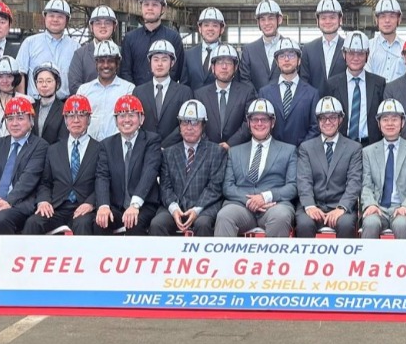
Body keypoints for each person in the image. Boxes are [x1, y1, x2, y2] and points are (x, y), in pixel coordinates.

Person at [0, 96, 48, 296]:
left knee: (1, 220)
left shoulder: (40, 146)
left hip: (21, 203)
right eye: (10, 118)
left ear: (31, 121)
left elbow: (29, 180)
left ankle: (6, 275)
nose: (15, 123)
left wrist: (7, 202)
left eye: (20, 118)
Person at [214, 99, 297, 237]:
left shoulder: (288, 151)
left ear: (273, 123)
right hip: (241, 205)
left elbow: (292, 187)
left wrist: (265, 197)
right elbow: (228, 187)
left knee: (281, 216)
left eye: (264, 119)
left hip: (274, 205)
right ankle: (224, 259)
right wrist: (250, 201)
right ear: (248, 123)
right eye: (254, 119)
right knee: (224, 216)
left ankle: (273, 259)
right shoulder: (234, 152)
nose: (259, 123)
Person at [22, 95, 99, 236]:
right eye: (71, 115)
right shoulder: (53, 149)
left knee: (82, 224)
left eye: (81, 115)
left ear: (88, 119)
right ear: (65, 120)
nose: (76, 120)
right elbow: (45, 182)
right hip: (56, 206)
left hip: (84, 207)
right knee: (33, 222)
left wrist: (90, 203)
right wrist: (43, 201)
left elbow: (102, 182)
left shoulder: (100, 149)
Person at [151, 100, 227, 237]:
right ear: (179, 126)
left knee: (203, 224)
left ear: (203, 125)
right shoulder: (168, 153)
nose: (189, 128)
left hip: (205, 206)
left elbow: (215, 187)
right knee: (157, 224)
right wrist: (174, 209)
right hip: (175, 206)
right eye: (185, 122)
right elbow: (165, 187)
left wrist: (197, 209)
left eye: (195, 123)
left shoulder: (216, 151)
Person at [295, 97, 363, 239]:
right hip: (314, 205)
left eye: (332, 117)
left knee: (345, 224)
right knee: (304, 224)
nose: (327, 122)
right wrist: (310, 206)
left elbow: (354, 182)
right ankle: (308, 261)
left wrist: (342, 207)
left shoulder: (354, 148)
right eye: (322, 118)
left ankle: (343, 262)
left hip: (340, 206)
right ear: (318, 121)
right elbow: (304, 180)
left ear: (341, 119)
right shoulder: (306, 148)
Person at [94, 95, 162, 235]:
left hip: (143, 205)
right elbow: (102, 176)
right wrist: (103, 206)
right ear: (115, 120)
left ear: (141, 119)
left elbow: (149, 172)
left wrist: (135, 204)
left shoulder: (151, 141)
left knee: (134, 222)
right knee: (100, 221)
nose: (126, 120)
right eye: (121, 115)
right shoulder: (106, 145)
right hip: (117, 206)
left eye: (131, 115)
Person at [359, 99, 406, 239]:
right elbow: (366, 185)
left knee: (401, 224)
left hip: (404, 206)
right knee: (370, 222)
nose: (389, 123)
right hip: (378, 207)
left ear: (402, 122)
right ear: (378, 123)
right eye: (385, 119)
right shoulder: (368, 152)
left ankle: (403, 262)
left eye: (394, 119)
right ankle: (369, 261)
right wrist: (370, 204)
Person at [323, 31, 386, 147]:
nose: (355, 58)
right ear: (344, 54)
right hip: (341, 146)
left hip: (371, 145)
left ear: (367, 55)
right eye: (351, 53)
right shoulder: (332, 84)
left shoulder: (379, 83)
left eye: (361, 53)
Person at [257, 38, 319, 147]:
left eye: (291, 55)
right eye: (281, 56)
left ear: (299, 60)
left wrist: (301, 149)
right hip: (272, 155)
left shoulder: (312, 94)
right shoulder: (265, 93)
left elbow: (315, 127)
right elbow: (261, 124)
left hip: (301, 155)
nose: (286, 59)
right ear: (277, 62)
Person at [193, 45, 256, 149]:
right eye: (219, 62)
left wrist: (230, 144)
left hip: (237, 150)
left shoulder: (247, 92)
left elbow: (248, 121)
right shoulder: (200, 95)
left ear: (235, 67)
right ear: (213, 68)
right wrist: (211, 145)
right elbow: (197, 123)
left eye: (229, 62)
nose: (224, 67)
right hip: (207, 150)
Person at [120, 0, 186, 86]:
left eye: (155, 5)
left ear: (163, 8)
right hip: (137, 97)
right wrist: (137, 93)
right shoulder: (130, 38)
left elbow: (176, 71)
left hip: (165, 98)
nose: (150, 8)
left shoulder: (173, 38)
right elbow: (125, 72)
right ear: (141, 7)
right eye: (146, 4)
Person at [16, 0, 80, 99]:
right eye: (51, 16)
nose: (55, 20)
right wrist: (22, 100)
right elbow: (20, 73)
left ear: (67, 20)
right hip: (35, 104)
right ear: (44, 17)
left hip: (64, 105)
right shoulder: (30, 43)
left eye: (60, 17)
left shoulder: (75, 47)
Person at [133, 40, 194, 147]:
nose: (159, 64)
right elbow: (136, 122)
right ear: (150, 62)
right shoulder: (138, 92)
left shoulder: (184, 92)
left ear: (172, 63)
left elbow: (185, 123)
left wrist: (165, 145)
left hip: (174, 149)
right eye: (155, 60)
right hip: (146, 149)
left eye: (164, 60)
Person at [78, 40, 135, 142]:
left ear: (117, 64)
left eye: (110, 61)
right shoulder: (84, 90)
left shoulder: (128, 89)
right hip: (89, 147)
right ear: (96, 63)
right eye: (101, 61)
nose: (105, 65)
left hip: (117, 147)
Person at [68, 5, 118, 95]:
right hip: (88, 106)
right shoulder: (80, 55)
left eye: (107, 23)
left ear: (114, 26)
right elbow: (74, 86)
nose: (103, 26)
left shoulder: (122, 52)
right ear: (91, 27)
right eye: (98, 23)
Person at [300, 0, 346, 92]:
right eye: (323, 18)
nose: (327, 21)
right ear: (317, 21)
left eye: (332, 17)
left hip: (343, 105)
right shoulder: (308, 49)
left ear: (340, 19)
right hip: (315, 104)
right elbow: (304, 82)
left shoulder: (349, 48)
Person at [239, 0, 284, 91]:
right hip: (256, 103)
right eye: (262, 19)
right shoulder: (249, 50)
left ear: (279, 20)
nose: (266, 23)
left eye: (270, 18)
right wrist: (259, 101)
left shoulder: (291, 48)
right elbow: (244, 80)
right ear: (258, 23)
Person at [182, 7, 226, 91]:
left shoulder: (228, 55)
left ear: (222, 29)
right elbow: (184, 85)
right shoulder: (188, 55)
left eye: (215, 25)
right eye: (206, 25)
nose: (210, 29)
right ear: (200, 28)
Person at [366, 0, 406, 83]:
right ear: (376, 20)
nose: (387, 21)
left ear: (399, 19)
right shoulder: (368, 47)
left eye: (392, 16)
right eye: (383, 16)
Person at [30, 63, 68, 146]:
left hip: (54, 155)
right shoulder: (30, 107)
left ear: (57, 83)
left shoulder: (64, 109)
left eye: (49, 81)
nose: (44, 85)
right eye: (40, 81)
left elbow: (63, 140)